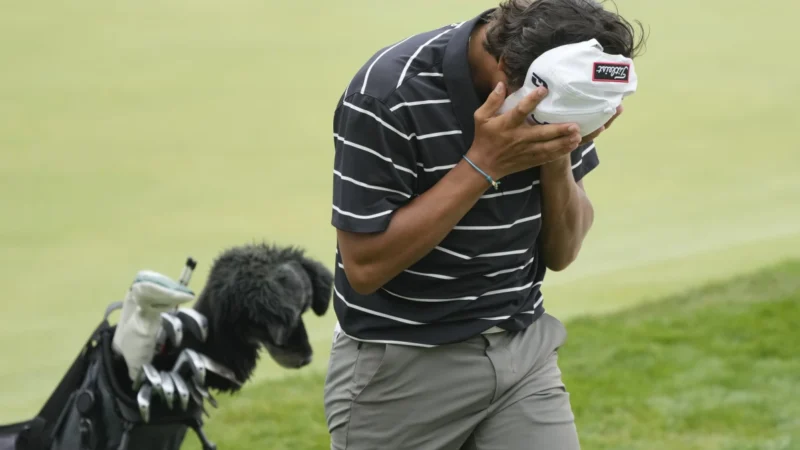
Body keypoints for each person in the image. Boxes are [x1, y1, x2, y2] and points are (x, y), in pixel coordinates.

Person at [323, 0, 646, 448]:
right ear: (506, 69)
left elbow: (562, 252)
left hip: (523, 351)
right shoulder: (388, 93)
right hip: (402, 367)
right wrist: (482, 164)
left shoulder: (562, 90)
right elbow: (364, 268)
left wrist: (554, 153)